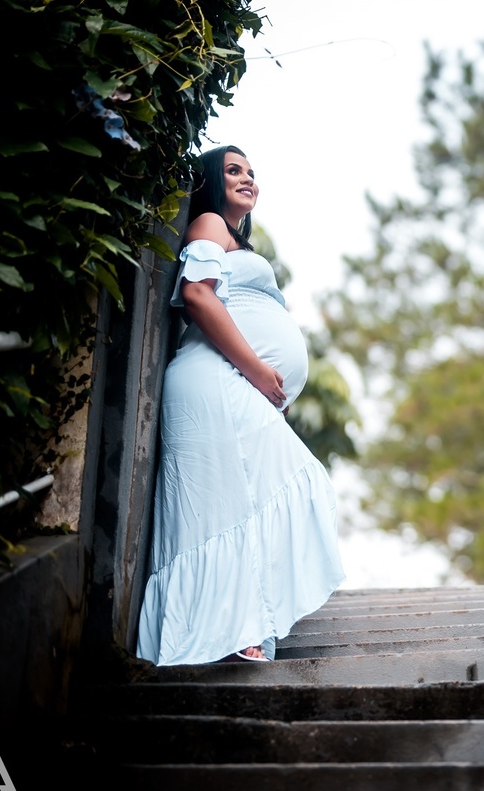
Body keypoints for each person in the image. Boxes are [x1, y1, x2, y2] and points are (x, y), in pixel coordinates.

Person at [136, 145, 345, 665]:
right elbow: (200, 296)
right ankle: (234, 628)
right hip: (214, 382)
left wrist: (261, 383)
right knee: (229, 506)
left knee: (235, 507)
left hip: (228, 385)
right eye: (233, 170)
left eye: (252, 172)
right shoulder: (208, 221)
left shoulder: (232, 237)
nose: (247, 178)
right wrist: (257, 372)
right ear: (211, 180)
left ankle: (238, 626)